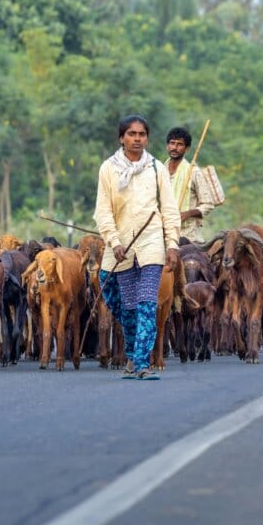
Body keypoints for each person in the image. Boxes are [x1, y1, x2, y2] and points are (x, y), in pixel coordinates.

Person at [93, 115, 181, 380]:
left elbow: (169, 208)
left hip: (151, 242)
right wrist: (114, 241)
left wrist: (173, 244)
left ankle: (142, 362)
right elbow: (103, 211)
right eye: (131, 134)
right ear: (122, 138)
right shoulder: (108, 168)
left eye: (142, 134)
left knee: (145, 303)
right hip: (119, 243)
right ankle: (132, 353)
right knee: (122, 302)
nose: (137, 139)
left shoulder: (156, 168)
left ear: (147, 138)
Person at [163, 127, 215, 244]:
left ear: (186, 149)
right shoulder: (160, 171)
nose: (175, 148)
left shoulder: (193, 172)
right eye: (172, 143)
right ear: (167, 146)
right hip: (163, 234)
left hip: (188, 236)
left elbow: (208, 204)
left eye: (179, 144)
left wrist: (187, 214)